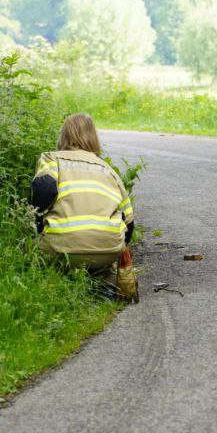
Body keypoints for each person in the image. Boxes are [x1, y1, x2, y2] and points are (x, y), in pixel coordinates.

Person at [29, 113, 137, 298]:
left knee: (33, 245)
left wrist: (39, 224)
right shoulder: (108, 170)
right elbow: (129, 224)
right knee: (99, 260)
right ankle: (103, 283)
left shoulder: (52, 159)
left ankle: (56, 283)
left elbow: (43, 193)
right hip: (108, 250)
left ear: (64, 135)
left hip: (60, 248)